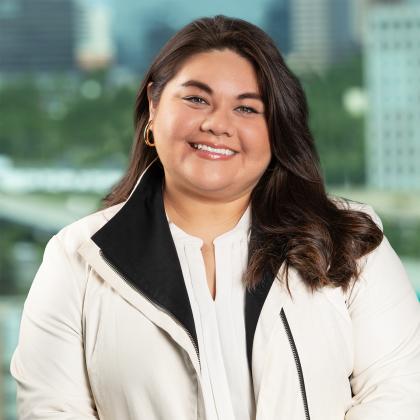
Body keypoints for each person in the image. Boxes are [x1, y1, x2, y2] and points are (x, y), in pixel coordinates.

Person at [10, 15, 420, 420]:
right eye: (196, 99)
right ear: (154, 105)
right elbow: (51, 410)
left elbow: (399, 395)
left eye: (246, 108)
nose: (218, 124)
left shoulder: (351, 241)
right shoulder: (77, 259)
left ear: (276, 128)